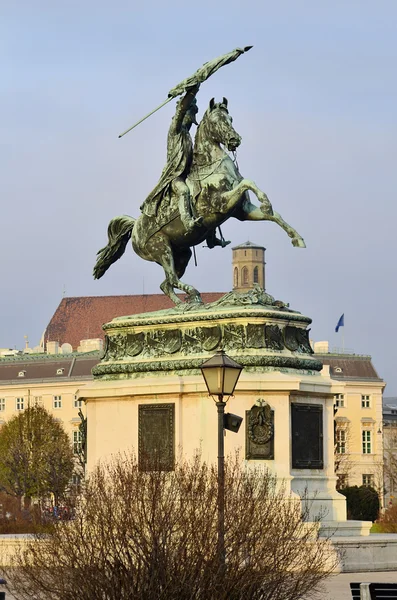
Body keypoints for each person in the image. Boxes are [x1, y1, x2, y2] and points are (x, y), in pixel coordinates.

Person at [140, 85, 203, 234]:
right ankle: (187, 222)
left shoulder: (188, 136)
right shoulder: (175, 131)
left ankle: (211, 236)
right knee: (183, 191)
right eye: (189, 116)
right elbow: (180, 111)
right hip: (174, 177)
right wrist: (194, 90)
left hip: (187, 175)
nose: (190, 121)